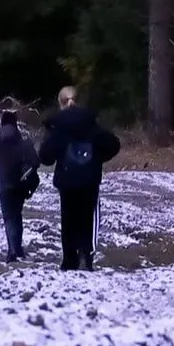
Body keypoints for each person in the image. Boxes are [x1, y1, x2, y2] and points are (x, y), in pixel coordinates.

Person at [39, 86, 121, 271]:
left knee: (68, 219)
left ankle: (69, 259)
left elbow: (45, 156)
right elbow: (113, 145)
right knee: (88, 218)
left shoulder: (58, 126)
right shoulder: (91, 123)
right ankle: (86, 256)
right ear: (78, 100)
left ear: (61, 103)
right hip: (90, 179)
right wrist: (98, 158)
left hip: (66, 179)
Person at [0, 110, 40, 262]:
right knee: (17, 216)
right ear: (16, 124)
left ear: (3, 124)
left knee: (9, 218)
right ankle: (17, 248)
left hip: (4, 185)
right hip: (21, 184)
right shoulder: (24, 143)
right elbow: (36, 162)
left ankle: (12, 250)